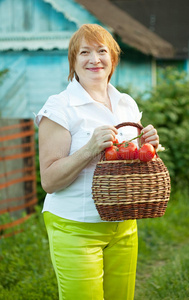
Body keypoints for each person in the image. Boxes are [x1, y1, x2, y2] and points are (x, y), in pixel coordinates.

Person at [35, 24, 159, 300]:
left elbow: (130, 165)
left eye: (102, 51)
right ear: (73, 61)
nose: (94, 59)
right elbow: (50, 181)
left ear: (112, 59)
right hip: (75, 226)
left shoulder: (126, 104)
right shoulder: (59, 107)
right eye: (85, 52)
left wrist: (146, 147)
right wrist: (90, 148)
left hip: (125, 224)